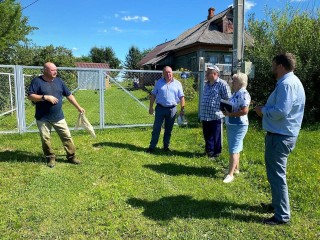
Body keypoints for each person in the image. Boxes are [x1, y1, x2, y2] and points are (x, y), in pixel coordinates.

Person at [255, 53, 305, 225]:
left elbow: (281, 111)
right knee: (274, 174)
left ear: (281, 66)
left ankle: (282, 215)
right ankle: (277, 205)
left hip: (281, 136)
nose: (272, 68)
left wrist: (263, 111)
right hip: (281, 134)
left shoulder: (287, 84)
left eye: (273, 65)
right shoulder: (289, 82)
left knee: (277, 175)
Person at [28, 62, 85, 168]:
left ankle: (71, 157)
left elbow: (69, 95)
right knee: (45, 139)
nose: (55, 72)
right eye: (52, 70)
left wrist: (79, 107)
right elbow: (30, 96)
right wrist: (45, 97)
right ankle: (50, 158)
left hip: (58, 117)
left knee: (67, 137)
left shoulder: (59, 81)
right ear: (45, 70)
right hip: (42, 118)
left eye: (56, 70)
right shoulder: (37, 81)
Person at [146, 66, 185, 153]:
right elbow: (153, 95)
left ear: (172, 73)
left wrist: (182, 109)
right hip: (160, 108)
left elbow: (182, 97)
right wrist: (151, 107)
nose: (168, 74)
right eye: (166, 72)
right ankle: (152, 147)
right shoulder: (159, 83)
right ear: (163, 74)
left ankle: (166, 147)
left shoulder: (178, 84)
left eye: (170, 72)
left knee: (168, 129)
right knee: (156, 128)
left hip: (172, 110)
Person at [222, 72, 251, 183]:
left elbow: (244, 111)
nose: (232, 82)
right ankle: (236, 169)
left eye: (234, 80)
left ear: (240, 82)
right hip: (233, 124)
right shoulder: (236, 93)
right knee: (236, 147)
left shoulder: (243, 93)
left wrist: (230, 114)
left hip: (238, 124)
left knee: (233, 149)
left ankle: (230, 174)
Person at [200, 65, 231, 159]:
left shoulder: (222, 84)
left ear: (215, 74)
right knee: (207, 134)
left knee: (216, 135)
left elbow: (228, 99)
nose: (206, 74)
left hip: (216, 115)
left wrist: (225, 111)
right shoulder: (207, 84)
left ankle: (217, 153)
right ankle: (209, 151)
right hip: (205, 115)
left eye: (208, 73)